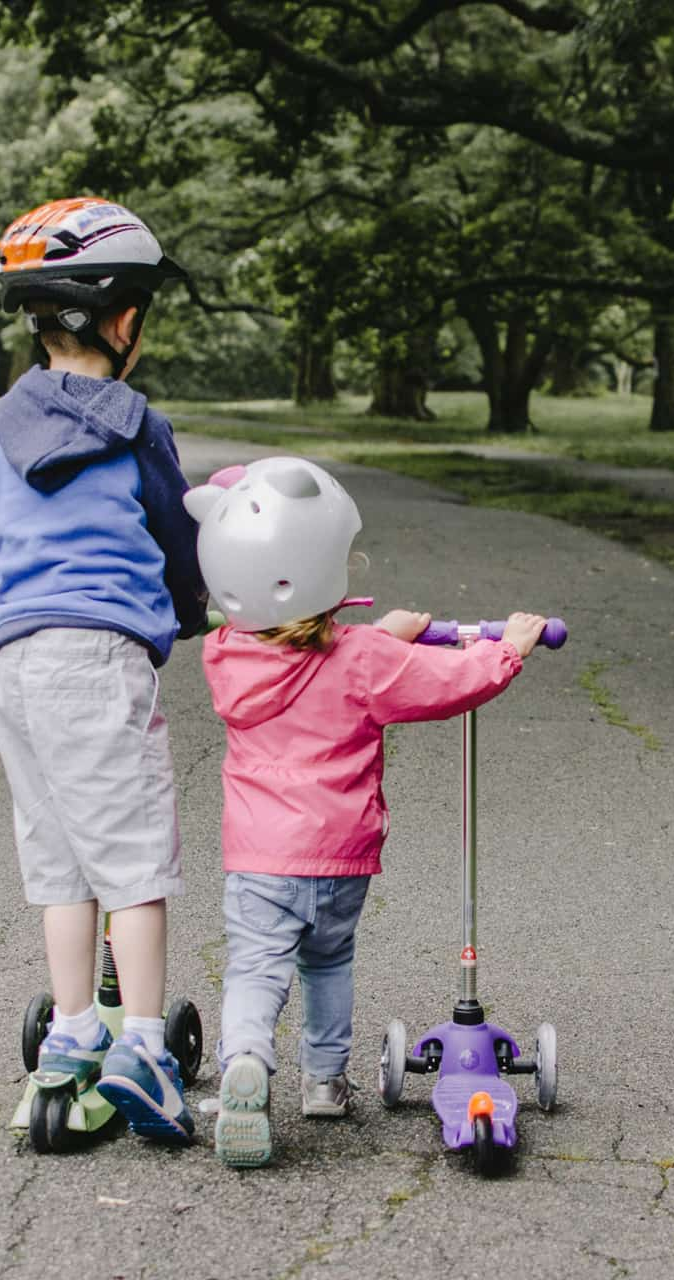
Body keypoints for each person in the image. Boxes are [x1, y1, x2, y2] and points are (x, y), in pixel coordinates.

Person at [182, 457, 547, 1168]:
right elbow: (444, 682)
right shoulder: (363, 659)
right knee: (329, 963)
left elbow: (304, 649)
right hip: (340, 855)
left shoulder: (228, 654)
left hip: (259, 855)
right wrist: (507, 651)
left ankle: (246, 1063)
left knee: (257, 968)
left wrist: (383, 633)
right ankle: (323, 1083)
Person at [0, 197, 206, 1145]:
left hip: (17, 663)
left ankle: (71, 1032)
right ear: (122, 321)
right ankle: (145, 1045)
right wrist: (196, 613)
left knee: (61, 862)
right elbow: (179, 534)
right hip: (97, 660)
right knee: (134, 861)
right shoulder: (134, 425)